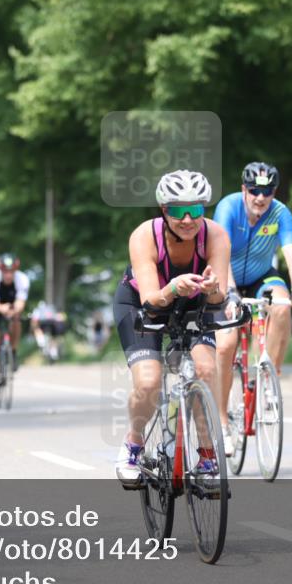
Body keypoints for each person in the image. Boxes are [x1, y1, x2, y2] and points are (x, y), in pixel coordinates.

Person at [113, 169, 231, 486]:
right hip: (142, 303)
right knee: (149, 382)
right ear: (164, 211)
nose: (188, 219)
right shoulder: (143, 236)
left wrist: (213, 288)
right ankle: (134, 443)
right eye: (179, 210)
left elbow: (219, 295)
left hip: (191, 302)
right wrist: (174, 287)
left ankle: (207, 457)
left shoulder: (216, 235)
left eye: (197, 209)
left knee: (206, 369)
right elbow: (152, 298)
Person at [212, 161, 292, 456]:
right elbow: (221, 253)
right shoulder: (229, 208)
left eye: (267, 191)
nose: (260, 197)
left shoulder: (280, 213)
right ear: (244, 189)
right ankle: (222, 423)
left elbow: (291, 252)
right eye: (254, 190)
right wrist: (229, 293)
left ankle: (270, 376)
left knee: (281, 305)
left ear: (274, 192)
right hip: (225, 275)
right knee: (225, 346)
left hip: (260, 275)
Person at [0, 253, 30, 400]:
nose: (8, 275)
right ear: (0, 270)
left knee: (16, 321)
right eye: (5, 271)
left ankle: (13, 351)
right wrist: (2, 309)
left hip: (12, 305)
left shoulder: (22, 279)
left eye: (11, 271)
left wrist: (14, 310)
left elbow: (21, 302)